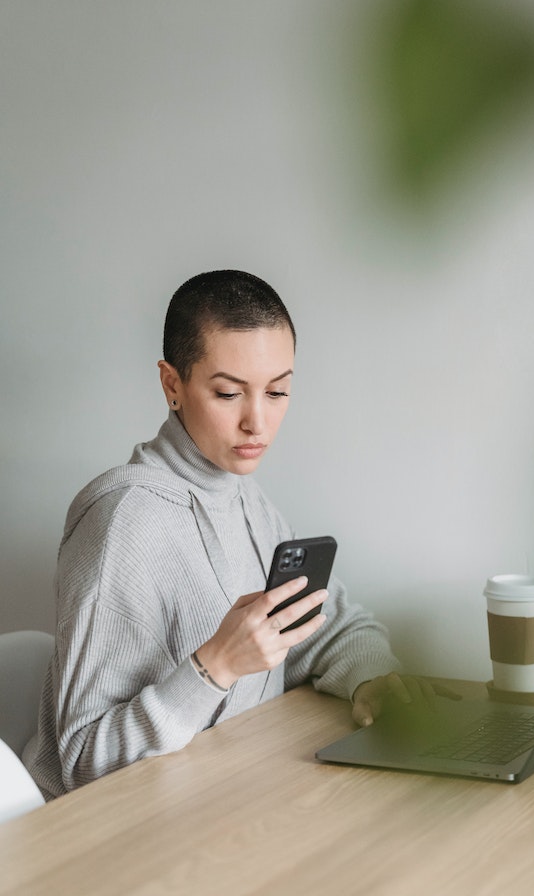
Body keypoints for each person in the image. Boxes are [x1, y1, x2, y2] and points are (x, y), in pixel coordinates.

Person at [24, 270, 449, 799]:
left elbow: (326, 625)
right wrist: (214, 666)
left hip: (216, 804)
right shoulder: (122, 522)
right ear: (171, 384)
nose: (258, 423)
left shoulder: (246, 499)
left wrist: (376, 681)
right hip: (105, 843)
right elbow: (82, 763)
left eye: (277, 391)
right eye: (228, 393)